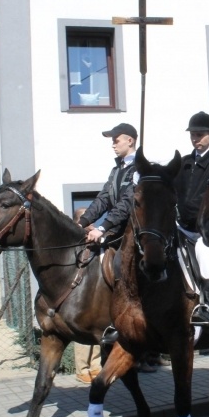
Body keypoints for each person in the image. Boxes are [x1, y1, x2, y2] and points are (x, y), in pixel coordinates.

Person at [77, 122, 139, 344]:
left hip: (133, 232)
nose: (113, 144)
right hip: (116, 230)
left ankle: (130, 317)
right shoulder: (116, 170)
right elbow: (103, 199)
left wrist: (102, 227)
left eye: (116, 140)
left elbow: (127, 203)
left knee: (120, 265)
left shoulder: (139, 169)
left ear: (129, 141)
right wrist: (83, 222)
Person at [173, 111, 209, 330]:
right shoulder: (184, 162)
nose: (195, 139)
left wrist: (187, 208)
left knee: (205, 253)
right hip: (184, 227)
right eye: (193, 135)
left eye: (200, 135)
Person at [72, 207, 102, 384]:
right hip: (81, 291)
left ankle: (96, 366)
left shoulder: (96, 235)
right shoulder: (75, 238)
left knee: (96, 328)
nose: (91, 222)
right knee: (83, 329)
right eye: (86, 219)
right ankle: (82, 370)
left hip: (96, 288)